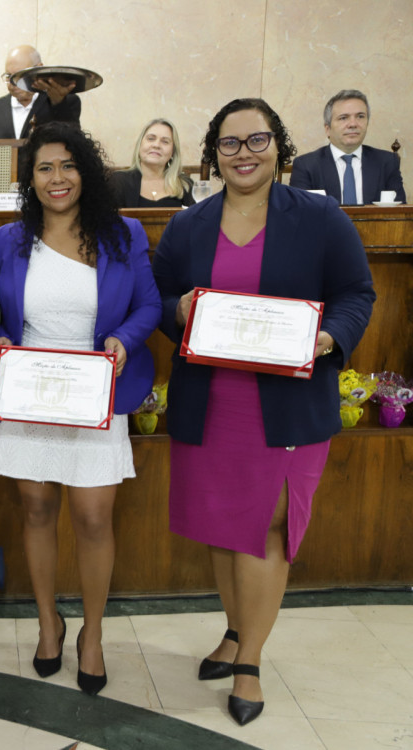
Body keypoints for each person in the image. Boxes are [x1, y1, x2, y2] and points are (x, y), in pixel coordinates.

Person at [153, 98, 374, 725]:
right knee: (226, 528)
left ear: (278, 145)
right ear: (212, 153)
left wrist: (330, 337)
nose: (243, 154)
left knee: (268, 529)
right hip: (213, 401)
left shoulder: (318, 216)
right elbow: (162, 291)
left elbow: (357, 292)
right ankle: (232, 628)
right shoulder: (190, 225)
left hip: (286, 407)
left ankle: (248, 660)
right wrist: (179, 311)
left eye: (256, 140)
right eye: (230, 143)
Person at [0, 122, 161, 695]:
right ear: (29, 178)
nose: (57, 178)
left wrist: (125, 340)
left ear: (85, 171)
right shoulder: (8, 239)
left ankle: (92, 633)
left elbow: (149, 304)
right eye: (44, 168)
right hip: (30, 393)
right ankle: (47, 623)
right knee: (36, 510)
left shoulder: (124, 234)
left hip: (94, 393)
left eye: (67, 165)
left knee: (91, 517)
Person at [290, 89, 406, 204]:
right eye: (343, 118)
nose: (353, 124)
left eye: (360, 116)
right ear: (327, 129)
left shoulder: (387, 162)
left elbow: (400, 215)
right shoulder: (306, 165)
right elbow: (299, 214)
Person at [0, 45, 81, 141]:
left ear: (38, 69)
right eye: (8, 76)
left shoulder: (64, 102)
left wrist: (58, 103)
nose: (13, 83)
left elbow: (73, 144)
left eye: (19, 75)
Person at [108, 118, 195, 208]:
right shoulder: (117, 181)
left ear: (173, 152)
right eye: (150, 139)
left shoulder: (185, 185)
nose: (156, 145)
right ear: (140, 145)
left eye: (165, 141)